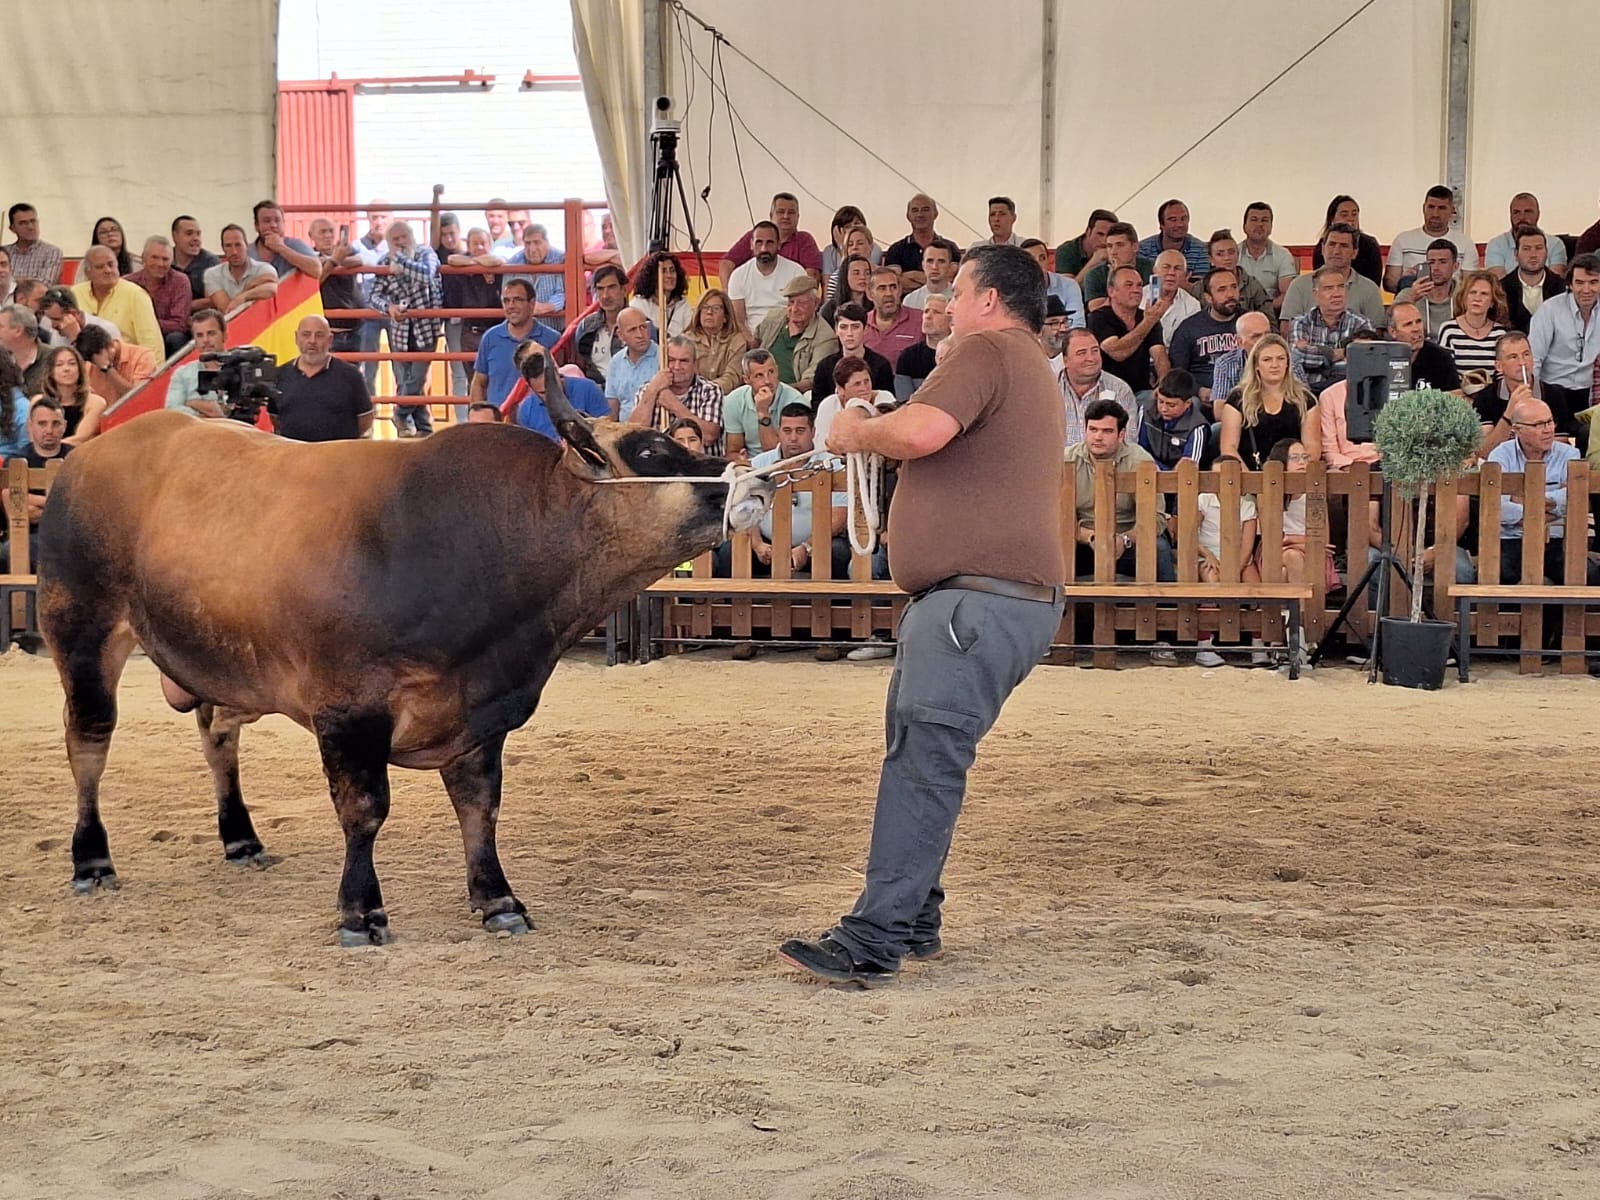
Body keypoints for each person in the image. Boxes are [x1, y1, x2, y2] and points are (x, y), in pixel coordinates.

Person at [776, 244, 1066, 988]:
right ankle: (914, 916)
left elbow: (920, 434)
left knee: (923, 764)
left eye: (957, 291)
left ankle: (873, 938)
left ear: (991, 300)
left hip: (975, 601)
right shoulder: (1025, 360)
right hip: (985, 602)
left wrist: (852, 431)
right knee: (922, 753)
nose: (943, 304)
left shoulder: (985, 351)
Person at [1487, 396, 1600, 586]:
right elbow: (1498, 508)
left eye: (1549, 422)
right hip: (1512, 538)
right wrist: (1549, 507)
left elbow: (1573, 500)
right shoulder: (1500, 455)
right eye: (1539, 424)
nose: (1548, 429)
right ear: (1517, 429)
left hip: (1557, 540)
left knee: (1588, 576)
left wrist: (1524, 500)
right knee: (1497, 577)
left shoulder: (1569, 454)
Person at [1065, 397, 1176, 579]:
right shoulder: (1067, 460)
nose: (1098, 437)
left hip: (1130, 541)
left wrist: (1124, 540)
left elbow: (1155, 519)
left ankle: (1169, 606)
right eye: (1093, 429)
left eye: (1107, 431)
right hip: (1082, 541)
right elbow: (1054, 517)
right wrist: (1091, 537)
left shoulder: (1140, 462)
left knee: (1159, 548)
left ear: (1121, 434)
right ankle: (1055, 606)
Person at [370, 220, 443, 437]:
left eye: (404, 237)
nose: (401, 242)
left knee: (417, 377)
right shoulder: (384, 262)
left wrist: (400, 259)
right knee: (405, 380)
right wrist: (388, 307)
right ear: (388, 242)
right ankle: (424, 429)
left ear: (412, 236)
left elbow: (426, 274)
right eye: (395, 239)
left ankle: (400, 413)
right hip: (400, 330)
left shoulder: (425, 253)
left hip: (426, 327)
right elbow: (373, 295)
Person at [1220, 333, 1320, 469]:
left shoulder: (1305, 400)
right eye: (1267, 360)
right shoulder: (1238, 399)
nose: (1275, 365)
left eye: (1280, 359)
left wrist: (1298, 474)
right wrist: (1250, 481)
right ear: (1256, 365)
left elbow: (1312, 447)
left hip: (1295, 478)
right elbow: (1229, 448)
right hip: (1248, 478)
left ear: (1287, 364)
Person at [271, 315, 374, 441]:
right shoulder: (279, 375)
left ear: (330, 340)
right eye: (306, 334)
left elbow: (365, 420)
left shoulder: (351, 375)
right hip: (293, 456)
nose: (312, 341)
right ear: (296, 338)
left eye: (319, 335)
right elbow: (275, 419)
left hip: (337, 456)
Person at [1528, 253, 1600, 431]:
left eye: (1593, 282)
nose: (1586, 289)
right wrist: (1532, 400)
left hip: (1590, 394)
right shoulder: (1549, 310)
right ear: (1569, 284)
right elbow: (1534, 359)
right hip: (1553, 391)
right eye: (1580, 282)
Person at [469, 279, 562, 411]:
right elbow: (479, 382)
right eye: (506, 301)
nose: (511, 306)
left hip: (538, 422)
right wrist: (478, 418)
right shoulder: (490, 337)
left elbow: (561, 384)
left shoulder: (552, 339)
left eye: (517, 300)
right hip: (499, 422)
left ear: (532, 303)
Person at [627, 335, 724, 452]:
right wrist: (652, 391)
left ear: (695, 364)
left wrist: (673, 404)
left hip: (700, 465)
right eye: (671, 360)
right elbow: (633, 436)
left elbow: (709, 437)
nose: (677, 367)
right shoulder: (647, 390)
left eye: (684, 361)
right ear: (662, 362)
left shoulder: (709, 391)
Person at [1280, 224, 1386, 331]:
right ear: (1322, 249)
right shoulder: (1299, 285)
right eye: (1331, 244)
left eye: (1344, 246)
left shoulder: (1369, 289)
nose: (1336, 251)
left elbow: (1377, 333)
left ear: (1354, 253)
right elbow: (1287, 328)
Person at [1090, 264, 1170, 399]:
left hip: (1141, 391)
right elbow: (1118, 352)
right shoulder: (1099, 317)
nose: (1136, 290)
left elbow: (1159, 355)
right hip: (1107, 392)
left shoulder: (1148, 317)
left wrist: (1164, 387)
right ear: (1111, 291)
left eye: (1139, 285)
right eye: (1129, 285)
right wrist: (1149, 322)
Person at [1289, 266, 1373, 394]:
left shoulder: (1361, 324)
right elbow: (1296, 357)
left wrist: (1313, 354)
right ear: (1315, 294)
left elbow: (1364, 361)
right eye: (1328, 288)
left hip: (1348, 394)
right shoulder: (1300, 323)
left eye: (1341, 287)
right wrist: (1336, 355)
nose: (1337, 294)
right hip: (1309, 394)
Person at [1385, 185, 1479, 293]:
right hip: (1412, 301)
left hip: (1452, 303)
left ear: (1452, 211)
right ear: (1423, 208)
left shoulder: (1465, 243)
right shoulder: (1402, 240)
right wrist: (1408, 277)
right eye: (1431, 207)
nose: (1435, 214)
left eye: (1442, 208)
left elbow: (1470, 285)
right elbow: (1390, 284)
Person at [718, 193, 823, 290]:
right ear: (771, 215)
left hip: (789, 302)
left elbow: (812, 276)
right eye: (780, 212)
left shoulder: (804, 240)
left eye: (791, 212)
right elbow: (726, 264)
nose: (786, 216)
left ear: (798, 217)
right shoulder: (754, 235)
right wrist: (728, 295)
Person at [1169, 268, 1242, 404]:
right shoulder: (1189, 328)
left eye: (1234, 287)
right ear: (1208, 298)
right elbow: (1178, 372)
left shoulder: (1252, 323)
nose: (1230, 294)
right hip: (1203, 398)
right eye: (1222, 290)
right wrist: (1198, 390)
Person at [72, 246, 163, 356]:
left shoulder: (136, 294)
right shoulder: (75, 293)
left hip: (124, 366)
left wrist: (155, 372)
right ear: (88, 273)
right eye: (100, 267)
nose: (108, 270)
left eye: (111, 264)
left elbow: (152, 342)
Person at [508, 341, 608, 439]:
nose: (550, 397)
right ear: (529, 385)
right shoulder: (526, 411)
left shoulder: (588, 389)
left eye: (553, 387)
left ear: (556, 371)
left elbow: (607, 429)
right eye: (542, 392)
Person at [1059, 327, 1138, 448]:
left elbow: (1128, 444)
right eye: (1082, 353)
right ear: (1065, 360)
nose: (1091, 358)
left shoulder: (1120, 390)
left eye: (1095, 351)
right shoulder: (1047, 389)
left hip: (1106, 464)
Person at [721, 348, 807, 459]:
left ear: (777, 371)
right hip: (749, 465)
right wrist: (740, 459)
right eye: (759, 375)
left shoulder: (795, 401)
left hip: (785, 463)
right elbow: (733, 451)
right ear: (746, 379)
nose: (767, 381)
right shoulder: (734, 401)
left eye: (771, 372)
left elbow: (777, 453)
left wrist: (763, 412)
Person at [756, 276, 839, 392]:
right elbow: (753, 344)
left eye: (802, 303)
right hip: (758, 386)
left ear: (816, 304)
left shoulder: (826, 338)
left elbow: (811, 381)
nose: (794, 309)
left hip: (792, 395)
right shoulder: (773, 319)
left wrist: (778, 391)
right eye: (791, 302)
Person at [727, 222, 807, 333]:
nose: (764, 248)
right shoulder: (738, 275)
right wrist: (751, 341)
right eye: (759, 243)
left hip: (787, 334)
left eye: (769, 243)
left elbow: (803, 314)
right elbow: (738, 322)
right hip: (752, 338)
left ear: (778, 244)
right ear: (751, 244)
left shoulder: (796, 272)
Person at [124, 236, 193, 356]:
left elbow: (180, 324)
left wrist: (147, 324)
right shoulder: (127, 283)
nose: (160, 263)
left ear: (171, 261)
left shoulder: (180, 281)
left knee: (176, 338)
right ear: (143, 258)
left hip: (166, 336)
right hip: (136, 335)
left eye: (165, 259)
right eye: (154, 257)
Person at [812, 302, 892, 399]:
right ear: (836, 330)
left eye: (855, 327)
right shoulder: (824, 367)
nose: (849, 333)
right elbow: (817, 405)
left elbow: (887, 405)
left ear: (865, 329)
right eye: (844, 327)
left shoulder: (881, 366)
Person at [1437, 270, 1509, 375]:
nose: (1477, 298)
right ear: (1464, 297)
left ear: (1492, 302)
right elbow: (1444, 371)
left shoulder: (1500, 333)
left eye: (1484, 294)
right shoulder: (1449, 330)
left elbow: (1501, 374)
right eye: (1472, 292)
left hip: (1491, 390)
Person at [164, 309, 231, 418]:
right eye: (199, 335)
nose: (205, 340)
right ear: (195, 341)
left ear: (224, 335)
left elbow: (233, 412)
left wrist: (192, 403)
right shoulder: (182, 374)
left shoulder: (242, 368)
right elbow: (172, 410)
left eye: (211, 333)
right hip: (196, 433)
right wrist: (204, 416)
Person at [571, 264, 631, 384]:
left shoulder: (640, 324)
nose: (605, 296)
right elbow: (581, 364)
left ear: (624, 290)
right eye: (600, 289)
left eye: (611, 287)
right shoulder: (586, 326)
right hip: (596, 391)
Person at [1501, 225, 1566, 335]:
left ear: (1547, 253)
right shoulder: (1501, 288)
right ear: (1516, 254)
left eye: (1539, 248)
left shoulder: (1562, 288)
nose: (1533, 255)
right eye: (1526, 249)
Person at [1485, 194, 1568, 279]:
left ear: (1538, 214)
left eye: (1528, 211)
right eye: (1516, 212)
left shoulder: (1555, 244)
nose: (1522, 217)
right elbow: (1498, 284)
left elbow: (1555, 283)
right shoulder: (1496, 244)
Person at [1137, 369, 1207, 468]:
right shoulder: (1145, 411)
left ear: (1187, 403)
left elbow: (1189, 467)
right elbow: (1139, 452)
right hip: (1148, 471)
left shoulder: (1197, 427)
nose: (1164, 409)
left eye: (1171, 405)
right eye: (1160, 401)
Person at [75, 324, 156, 410]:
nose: (96, 364)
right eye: (93, 361)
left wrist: (107, 368)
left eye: (98, 358)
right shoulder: (89, 367)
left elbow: (137, 395)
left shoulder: (142, 356)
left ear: (110, 345)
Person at [1237, 202, 1299, 312]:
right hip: (1236, 312)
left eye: (1265, 220)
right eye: (1254, 220)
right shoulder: (1233, 253)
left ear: (1271, 227)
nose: (1259, 224)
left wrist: (1264, 310)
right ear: (1244, 226)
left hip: (1272, 312)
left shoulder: (1283, 255)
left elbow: (1287, 295)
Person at [35, 344, 104, 440]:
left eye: (72, 363)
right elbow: (34, 437)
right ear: (51, 372)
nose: (66, 369)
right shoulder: (38, 401)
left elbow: (80, 439)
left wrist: (48, 449)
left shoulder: (95, 403)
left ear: (80, 369)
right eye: (59, 364)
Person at [204, 225, 278, 314]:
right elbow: (228, 309)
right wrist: (251, 289)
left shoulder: (264, 268)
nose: (234, 251)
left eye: (238, 245)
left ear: (246, 245)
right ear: (223, 248)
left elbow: (272, 289)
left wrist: (243, 296)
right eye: (228, 246)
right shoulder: (212, 274)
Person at [686, 288, 748, 395]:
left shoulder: (737, 341)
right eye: (705, 307)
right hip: (692, 396)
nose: (709, 312)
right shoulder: (686, 341)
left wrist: (708, 391)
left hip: (726, 397)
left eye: (716, 308)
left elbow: (732, 377)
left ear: (725, 317)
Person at [1311, 195, 1383, 286]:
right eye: (1344, 215)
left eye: (1354, 214)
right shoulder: (1323, 245)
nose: (1350, 219)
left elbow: (1374, 283)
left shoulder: (1370, 245)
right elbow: (1319, 279)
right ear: (1332, 219)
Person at [1394, 240, 1461, 338]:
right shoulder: (1410, 293)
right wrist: (1411, 298)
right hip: (1421, 348)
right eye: (1431, 262)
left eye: (1443, 262)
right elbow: (1390, 324)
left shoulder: (1465, 294)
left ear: (1455, 266)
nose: (1436, 268)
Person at [1082, 222, 1152, 313]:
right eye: (1109, 246)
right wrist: (1115, 278)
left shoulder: (1151, 268)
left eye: (1120, 245)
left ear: (1135, 247)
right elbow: (1096, 310)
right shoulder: (1095, 275)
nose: (1113, 252)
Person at [880, 193, 946, 290]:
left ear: (935, 213)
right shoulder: (896, 250)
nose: (920, 214)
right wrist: (934, 280)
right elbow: (894, 283)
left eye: (925, 209)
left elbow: (952, 279)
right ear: (908, 216)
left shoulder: (950, 248)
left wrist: (910, 276)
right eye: (915, 210)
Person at [604, 308, 660, 420]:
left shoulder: (663, 357)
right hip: (624, 431)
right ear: (620, 335)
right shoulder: (616, 362)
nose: (640, 334)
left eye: (643, 327)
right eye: (632, 330)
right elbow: (612, 409)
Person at [894, 293, 951, 401]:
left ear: (951, 321)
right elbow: (903, 400)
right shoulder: (908, 356)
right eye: (926, 311)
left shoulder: (959, 353)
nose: (928, 316)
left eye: (936, 312)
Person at [863, 266, 922, 365]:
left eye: (893, 287)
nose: (889, 293)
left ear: (900, 291)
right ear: (870, 294)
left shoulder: (921, 320)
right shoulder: (860, 324)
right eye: (882, 288)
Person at [1137, 199, 1209, 280]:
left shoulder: (1200, 250)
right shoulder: (1143, 249)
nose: (1180, 224)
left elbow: (1201, 286)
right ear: (1161, 224)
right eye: (1173, 220)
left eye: (1183, 219)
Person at [248, 200, 321, 279]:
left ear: (283, 223)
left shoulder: (296, 245)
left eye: (277, 220)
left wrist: (282, 248)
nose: (273, 225)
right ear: (256, 226)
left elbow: (317, 271)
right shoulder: (247, 253)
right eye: (267, 221)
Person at [629, 251, 691, 338]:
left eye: (672, 270)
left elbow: (690, 333)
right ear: (652, 276)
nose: (669, 275)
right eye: (663, 271)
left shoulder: (682, 304)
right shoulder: (639, 304)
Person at [3, 204, 64, 285]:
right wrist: (28, 280)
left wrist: (9, 280)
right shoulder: (4, 253)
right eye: (23, 223)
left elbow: (45, 284)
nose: (30, 227)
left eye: (33, 221)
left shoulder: (52, 252)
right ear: (12, 228)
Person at [170, 215, 220, 311]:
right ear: (175, 236)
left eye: (198, 234)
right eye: (189, 233)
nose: (196, 238)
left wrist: (186, 306)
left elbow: (218, 298)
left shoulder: (210, 262)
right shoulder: (164, 260)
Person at [1054, 209, 1116, 281]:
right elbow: (1066, 290)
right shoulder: (1067, 250)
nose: (1104, 241)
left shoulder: (1116, 249)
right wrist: (1095, 261)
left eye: (1109, 236)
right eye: (1100, 234)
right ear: (1088, 231)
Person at [819, 253, 872, 326]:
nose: (863, 277)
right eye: (856, 273)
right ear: (845, 276)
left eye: (867, 273)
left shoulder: (875, 305)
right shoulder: (829, 309)